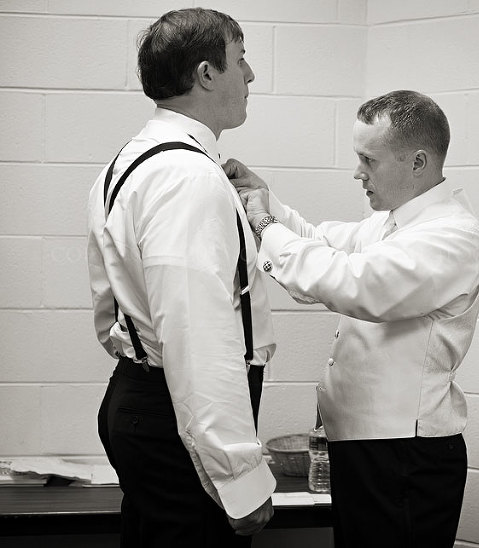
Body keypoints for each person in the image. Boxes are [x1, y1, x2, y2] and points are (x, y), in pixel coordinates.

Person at [225, 90, 479, 548]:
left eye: (369, 159)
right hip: (369, 449)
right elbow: (322, 241)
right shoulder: (393, 222)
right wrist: (265, 201)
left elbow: (352, 283)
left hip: (404, 455)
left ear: (418, 162)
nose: (357, 172)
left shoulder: (452, 236)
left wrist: (264, 227)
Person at [86, 8, 276, 546]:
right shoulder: (187, 176)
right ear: (206, 73)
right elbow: (197, 333)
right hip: (174, 419)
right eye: (240, 60)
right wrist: (237, 473)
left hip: (144, 399)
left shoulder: (129, 161)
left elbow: (109, 310)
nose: (251, 75)